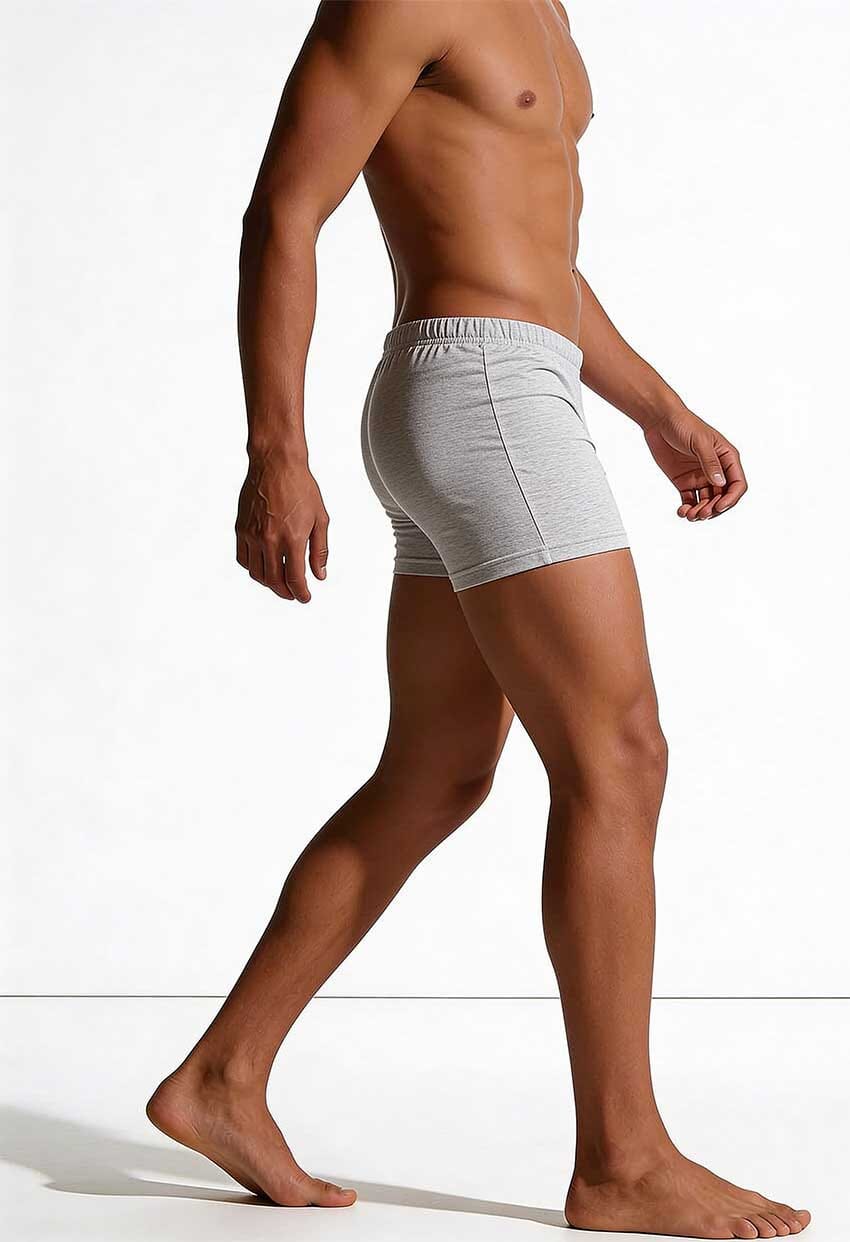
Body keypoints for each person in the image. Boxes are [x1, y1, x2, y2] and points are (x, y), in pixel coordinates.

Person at [147, 3, 810, 1237]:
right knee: (619, 754)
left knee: (438, 771)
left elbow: (536, 252)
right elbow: (283, 211)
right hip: (480, 390)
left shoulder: (543, 11)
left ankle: (220, 1079)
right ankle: (621, 1161)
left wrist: (657, 407)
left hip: (514, 382)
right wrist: (274, 449)